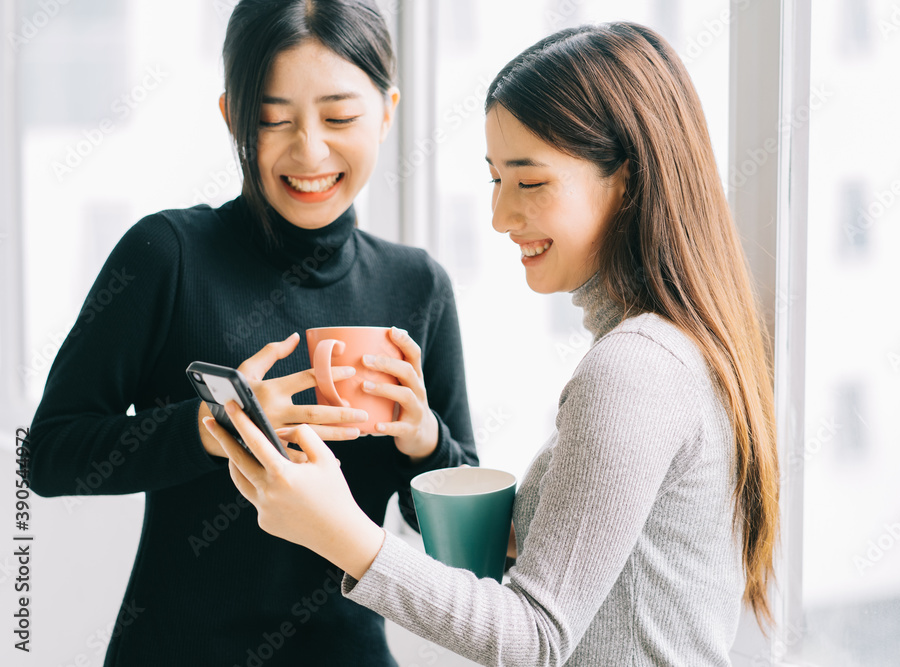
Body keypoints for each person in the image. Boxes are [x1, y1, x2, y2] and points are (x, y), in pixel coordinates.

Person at [207, 20, 781, 667]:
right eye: (495, 179)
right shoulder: (669, 348)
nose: (501, 216)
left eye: (529, 182)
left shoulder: (635, 369)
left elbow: (534, 636)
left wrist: (342, 532)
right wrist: (424, 442)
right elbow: (564, 552)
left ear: (626, 179)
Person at [26, 1, 477, 665]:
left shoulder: (418, 286)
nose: (311, 149)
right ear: (233, 117)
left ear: (386, 111)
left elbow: (459, 544)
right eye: (272, 119)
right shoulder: (167, 254)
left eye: (341, 116)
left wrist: (426, 440)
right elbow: (48, 455)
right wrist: (210, 429)